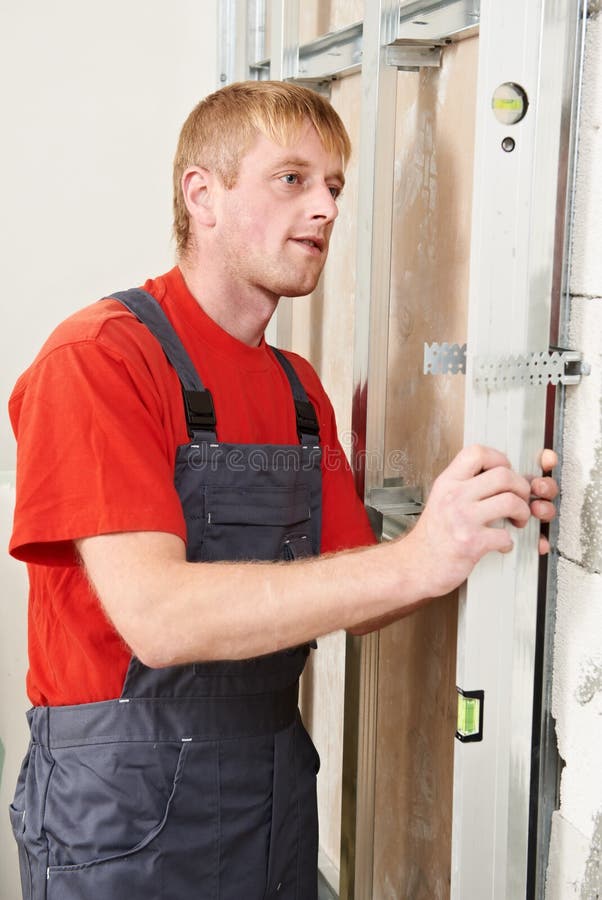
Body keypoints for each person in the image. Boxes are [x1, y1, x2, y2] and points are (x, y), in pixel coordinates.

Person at [7, 81, 557, 900]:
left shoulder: (299, 393)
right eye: (292, 179)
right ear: (205, 195)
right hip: (122, 803)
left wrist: (470, 524)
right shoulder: (99, 362)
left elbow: (360, 590)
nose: (326, 207)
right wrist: (417, 560)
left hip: (273, 788)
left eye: (335, 184)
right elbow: (157, 617)